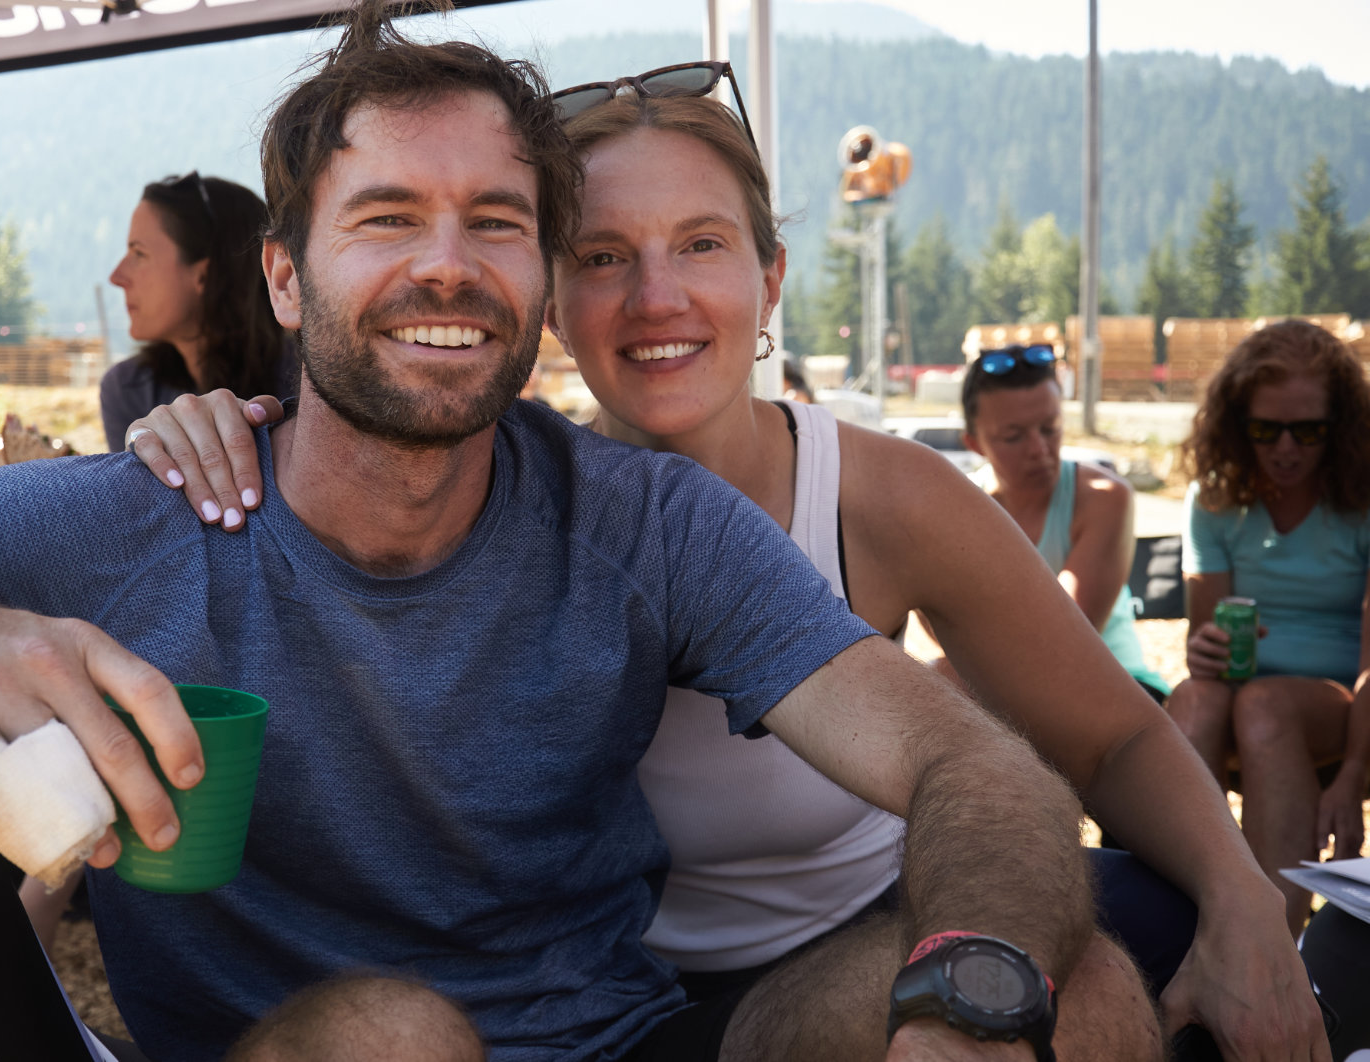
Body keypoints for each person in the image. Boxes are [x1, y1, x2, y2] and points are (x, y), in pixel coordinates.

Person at [0, 6, 1147, 1061]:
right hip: (314, 1045)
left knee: (1069, 983)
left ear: (541, 276)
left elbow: (973, 760)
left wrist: (964, 1001)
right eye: (387, 218)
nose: (447, 264)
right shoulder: (129, 514)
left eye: (496, 221)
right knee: (393, 1035)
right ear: (286, 273)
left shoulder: (642, 516)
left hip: (630, 1035)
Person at [129, 71, 1329, 1062]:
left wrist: (1246, 908)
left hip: (862, 950)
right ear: (545, 292)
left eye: (700, 244)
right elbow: (346, 462)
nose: (658, 298)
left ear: (768, 280)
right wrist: (207, 428)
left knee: (1100, 980)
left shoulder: (878, 495)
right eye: (600, 255)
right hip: (606, 1005)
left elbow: (1107, 735)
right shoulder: (478, 489)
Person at [1167, 318, 1370, 937]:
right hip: (1242, 701)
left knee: (1264, 705)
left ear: (1340, 429)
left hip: (1343, 706)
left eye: (1308, 431)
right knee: (1191, 700)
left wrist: (1353, 779)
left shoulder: (1361, 502)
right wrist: (1205, 648)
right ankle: (1181, 919)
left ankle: (1274, 944)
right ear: (1237, 425)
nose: (1286, 449)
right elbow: (1203, 650)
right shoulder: (1215, 499)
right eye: (1265, 430)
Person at [946, 344, 1169, 701]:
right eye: (1013, 436)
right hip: (1001, 691)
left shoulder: (1104, 497)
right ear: (974, 444)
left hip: (1114, 687)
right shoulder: (956, 508)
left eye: (1050, 428)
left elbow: (1067, 639)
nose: (1038, 449)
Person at [99, 172, 296, 455]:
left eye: (139, 254)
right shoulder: (128, 391)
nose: (117, 277)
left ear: (204, 275)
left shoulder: (307, 387)